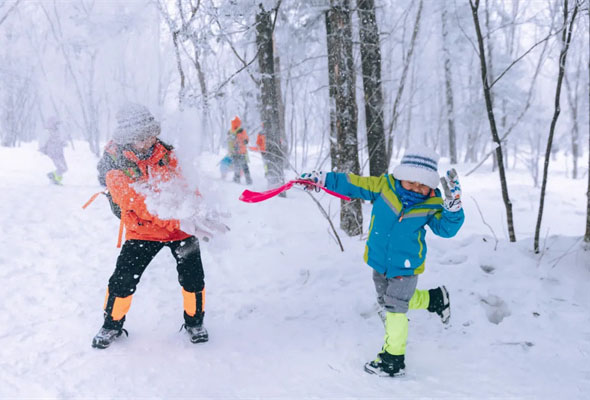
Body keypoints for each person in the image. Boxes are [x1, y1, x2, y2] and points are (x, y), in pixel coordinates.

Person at [297, 147, 464, 377]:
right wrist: (322, 179)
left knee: (395, 308)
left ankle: (393, 359)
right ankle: (435, 299)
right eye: (411, 182)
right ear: (401, 176)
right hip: (379, 260)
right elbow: (352, 183)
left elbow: (446, 229)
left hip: (406, 265)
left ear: (431, 186)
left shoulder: (432, 204)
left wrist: (453, 207)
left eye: (423, 184)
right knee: (388, 299)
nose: (417, 188)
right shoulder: (383, 187)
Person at [92, 103, 227, 349]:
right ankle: (111, 324)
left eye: (151, 134)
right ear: (128, 138)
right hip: (143, 231)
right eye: (142, 137)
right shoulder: (113, 166)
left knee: (193, 278)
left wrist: (200, 212)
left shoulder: (168, 154)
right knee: (123, 280)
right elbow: (137, 203)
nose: (149, 141)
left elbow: (188, 185)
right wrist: (183, 217)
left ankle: (194, 322)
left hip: (180, 230)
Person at [39, 116, 68, 185]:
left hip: (60, 152)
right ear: (52, 123)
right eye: (56, 123)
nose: (57, 125)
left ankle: (52, 176)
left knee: (65, 168)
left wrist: (62, 143)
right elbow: (42, 142)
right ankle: (55, 180)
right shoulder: (47, 132)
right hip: (53, 152)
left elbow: (58, 140)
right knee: (61, 167)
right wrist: (42, 149)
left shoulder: (57, 131)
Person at [227, 116, 252, 184]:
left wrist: (231, 149)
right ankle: (246, 180)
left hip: (237, 152)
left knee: (238, 166)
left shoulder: (232, 131)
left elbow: (229, 142)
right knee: (242, 166)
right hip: (239, 152)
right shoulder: (240, 131)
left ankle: (238, 179)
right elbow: (246, 140)